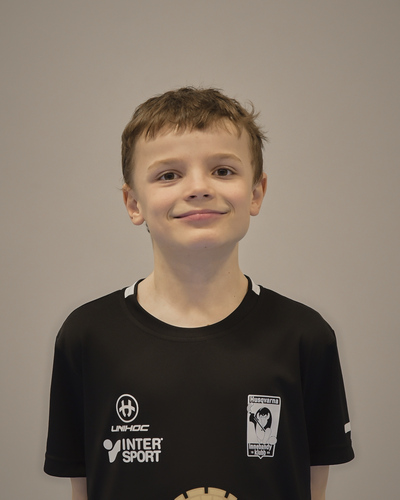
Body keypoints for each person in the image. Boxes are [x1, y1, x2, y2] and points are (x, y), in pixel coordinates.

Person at [44, 87, 354, 500]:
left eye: (222, 171)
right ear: (133, 203)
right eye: (168, 175)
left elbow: (314, 489)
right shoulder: (87, 335)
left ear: (256, 193)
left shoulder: (305, 335)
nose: (198, 188)